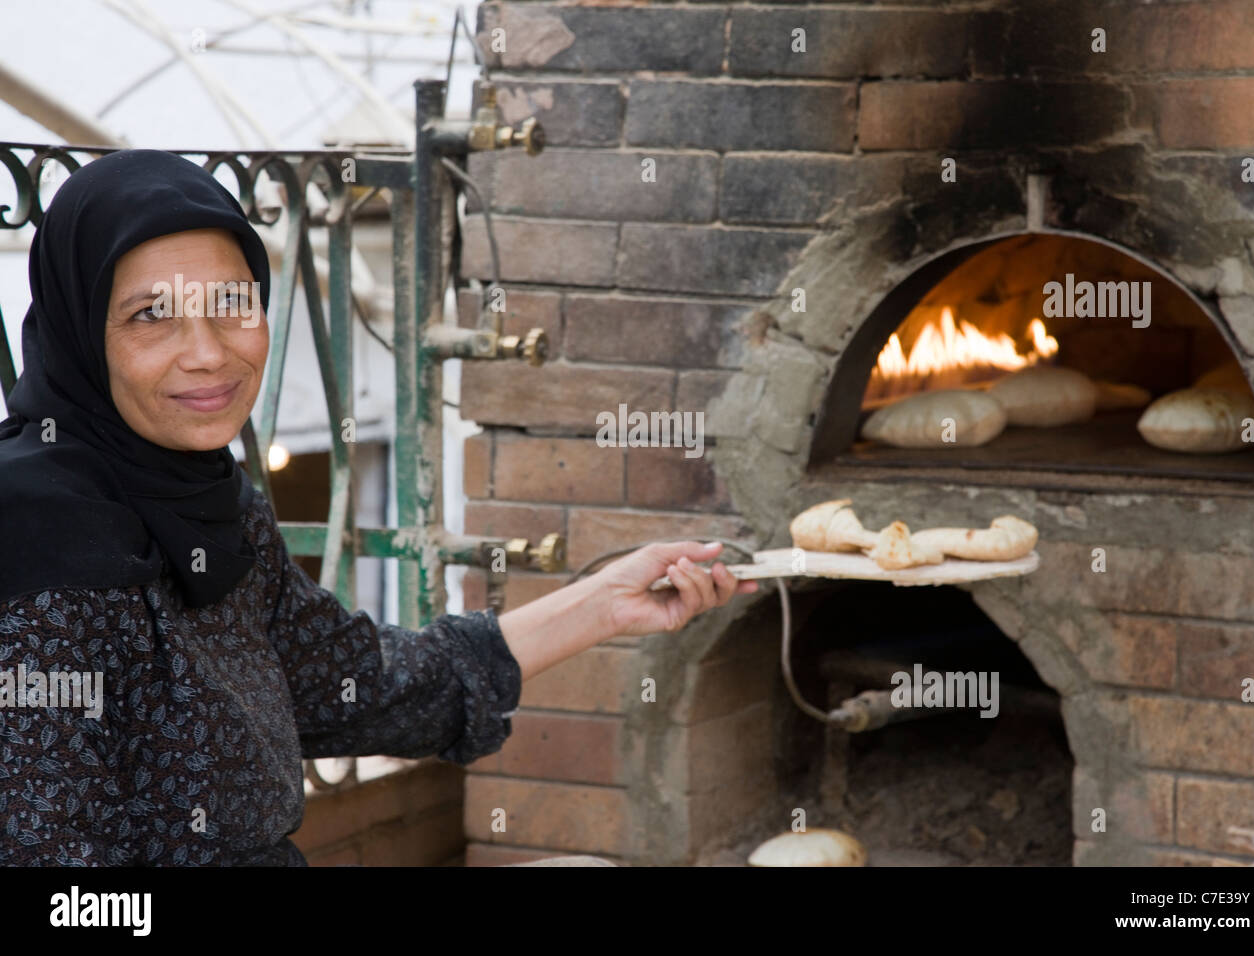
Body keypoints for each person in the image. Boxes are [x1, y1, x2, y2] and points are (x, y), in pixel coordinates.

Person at [0, 149, 756, 866]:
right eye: (150, 316)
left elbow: (364, 684)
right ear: (80, 333)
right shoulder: (41, 552)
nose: (206, 351)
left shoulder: (212, 505)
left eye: (233, 303)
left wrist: (607, 603)